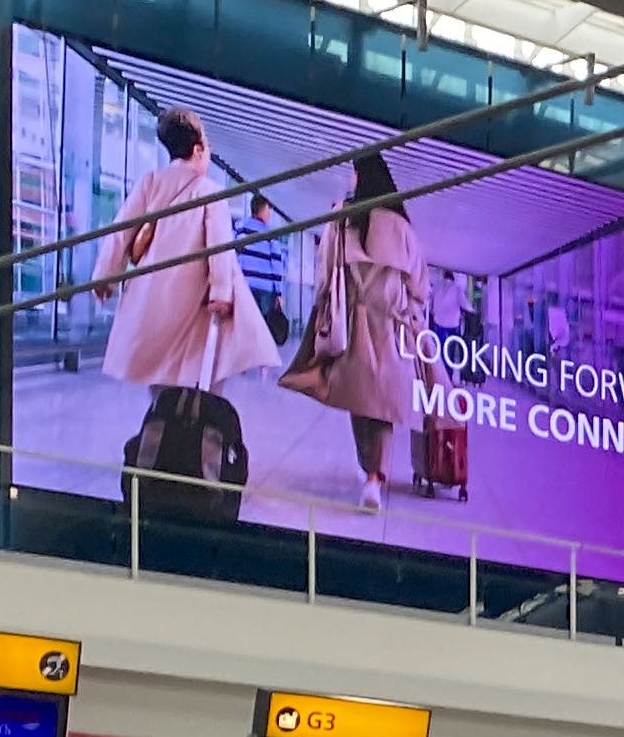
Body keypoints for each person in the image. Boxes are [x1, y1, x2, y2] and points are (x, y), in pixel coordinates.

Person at [278, 148, 429, 513]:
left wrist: (323, 309)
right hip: (391, 329)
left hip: (351, 325)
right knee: (383, 405)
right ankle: (375, 476)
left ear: (361, 179)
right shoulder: (403, 227)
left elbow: (325, 273)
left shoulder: (342, 219)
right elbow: (420, 288)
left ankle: (369, 472)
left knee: (358, 402)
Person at [97, 109, 262, 434]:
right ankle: (193, 441)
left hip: (150, 298)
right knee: (202, 373)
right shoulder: (210, 191)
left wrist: (106, 276)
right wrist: (220, 292)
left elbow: (121, 231)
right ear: (198, 150)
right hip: (192, 301)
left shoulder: (150, 182)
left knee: (161, 376)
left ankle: (164, 430)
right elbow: (218, 247)